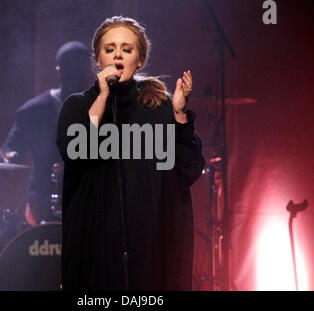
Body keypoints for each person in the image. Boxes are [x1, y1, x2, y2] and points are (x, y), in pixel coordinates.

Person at [56, 16, 205, 290]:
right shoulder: (77, 106)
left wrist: (180, 115)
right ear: (98, 60)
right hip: (97, 248)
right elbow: (77, 154)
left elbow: (190, 169)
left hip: (152, 248)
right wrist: (102, 97)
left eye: (127, 49)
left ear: (140, 60)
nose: (118, 55)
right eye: (110, 49)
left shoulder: (159, 107)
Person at [0, 41, 93, 226]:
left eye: (78, 70)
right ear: (59, 71)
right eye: (70, 70)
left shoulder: (103, 108)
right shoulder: (33, 111)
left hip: (90, 202)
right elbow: (8, 149)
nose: (75, 76)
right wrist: (8, 157)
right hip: (42, 206)